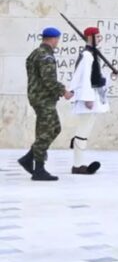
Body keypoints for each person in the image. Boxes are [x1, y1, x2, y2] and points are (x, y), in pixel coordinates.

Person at [18, 27, 74, 181]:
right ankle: (38, 168)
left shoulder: (35, 53)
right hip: (43, 99)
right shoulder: (46, 56)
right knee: (49, 131)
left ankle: (30, 159)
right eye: (57, 39)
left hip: (38, 97)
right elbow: (48, 79)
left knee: (51, 129)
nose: (58, 42)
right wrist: (64, 91)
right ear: (53, 39)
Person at [68, 26, 111, 175]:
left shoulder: (92, 53)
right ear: (90, 37)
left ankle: (79, 164)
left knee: (85, 131)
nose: (100, 39)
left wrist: (111, 77)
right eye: (97, 37)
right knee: (83, 131)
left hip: (92, 96)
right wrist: (88, 98)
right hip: (88, 98)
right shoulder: (87, 55)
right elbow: (84, 78)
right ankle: (78, 165)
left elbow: (96, 77)